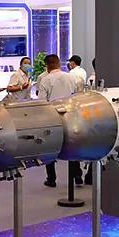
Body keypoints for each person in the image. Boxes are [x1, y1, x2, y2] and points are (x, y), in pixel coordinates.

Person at [36, 54, 81, 187]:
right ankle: (77, 176)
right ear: (59, 63)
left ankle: (51, 179)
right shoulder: (71, 77)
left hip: (52, 117)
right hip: (71, 115)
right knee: (73, 145)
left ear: (47, 66)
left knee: (50, 147)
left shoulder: (45, 80)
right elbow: (77, 96)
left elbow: (41, 102)